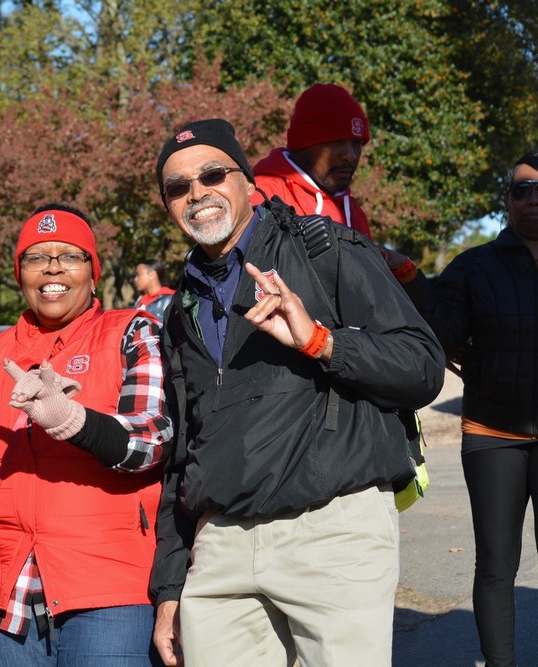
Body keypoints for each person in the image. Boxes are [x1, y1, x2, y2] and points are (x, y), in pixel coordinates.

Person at [150, 119, 444, 667]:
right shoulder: (177, 310)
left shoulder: (323, 249)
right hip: (222, 553)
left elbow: (422, 368)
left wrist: (320, 341)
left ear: (247, 182)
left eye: (212, 174)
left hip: (331, 534)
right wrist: (169, 588)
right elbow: (179, 453)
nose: (197, 192)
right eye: (177, 186)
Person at [0, 204, 172, 666]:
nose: (53, 268)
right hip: (5, 589)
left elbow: (153, 440)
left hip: (109, 584)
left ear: (92, 273)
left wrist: (73, 421)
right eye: (36, 257)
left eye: (70, 256)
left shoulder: (132, 330)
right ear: (20, 274)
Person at [382, 152, 538, 667]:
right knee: (496, 565)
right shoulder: (475, 267)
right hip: (493, 433)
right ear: (507, 200)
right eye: (522, 190)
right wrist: (410, 276)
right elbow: (443, 334)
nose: (533, 199)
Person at [251, 83, 372, 237]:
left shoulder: (353, 214)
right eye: (337, 142)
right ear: (304, 144)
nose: (351, 155)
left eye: (357, 143)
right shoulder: (262, 198)